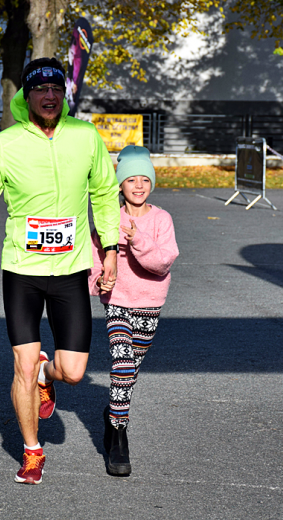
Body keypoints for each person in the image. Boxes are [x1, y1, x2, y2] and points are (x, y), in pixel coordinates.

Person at [0, 57, 120, 485]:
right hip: (22, 270)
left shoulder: (85, 137)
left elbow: (106, 194)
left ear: (64, 95)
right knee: (22, 362)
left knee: (72, 371)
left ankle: (44, 374)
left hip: (72, 269)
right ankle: (32, 451)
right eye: (40, 88)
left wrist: (110, 250)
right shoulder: (5, 145)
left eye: (56, 88)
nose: (49, 95)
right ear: (27, 96)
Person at [89, 145, 179, 477]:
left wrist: (137, 239)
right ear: (120, 185)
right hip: (118, 303)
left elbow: (161, 263)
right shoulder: (109, 215)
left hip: (149, 305)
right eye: (131, 180)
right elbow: (95, 258)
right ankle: (119, 437)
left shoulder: (161, 219)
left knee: (129, 376)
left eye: (144, 179)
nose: (138, 186)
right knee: (123, 363)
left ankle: (111, 419)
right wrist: (98, 281)